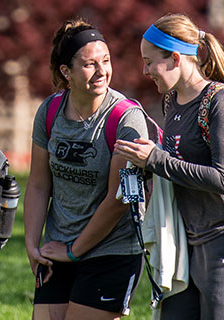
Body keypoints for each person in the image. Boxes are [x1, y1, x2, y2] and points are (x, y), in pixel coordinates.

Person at [114, 13, 224, 319]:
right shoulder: (172, 102)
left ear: (175, 59)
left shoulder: (220, 102)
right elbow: (179, 164)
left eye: (149, 62)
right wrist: (145, 166)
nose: (145, 71)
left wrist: (156, 160)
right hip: (189, 242)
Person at [24, 18, 152, 320]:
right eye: (89, 64)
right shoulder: (50, 111)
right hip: (58, 246)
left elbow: (119, 199)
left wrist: (73, 250)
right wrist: (32, 245)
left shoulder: (125, 118)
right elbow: (39, 184)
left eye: (105, 61)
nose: (101, 72)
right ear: (65, 72)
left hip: (112, 250)